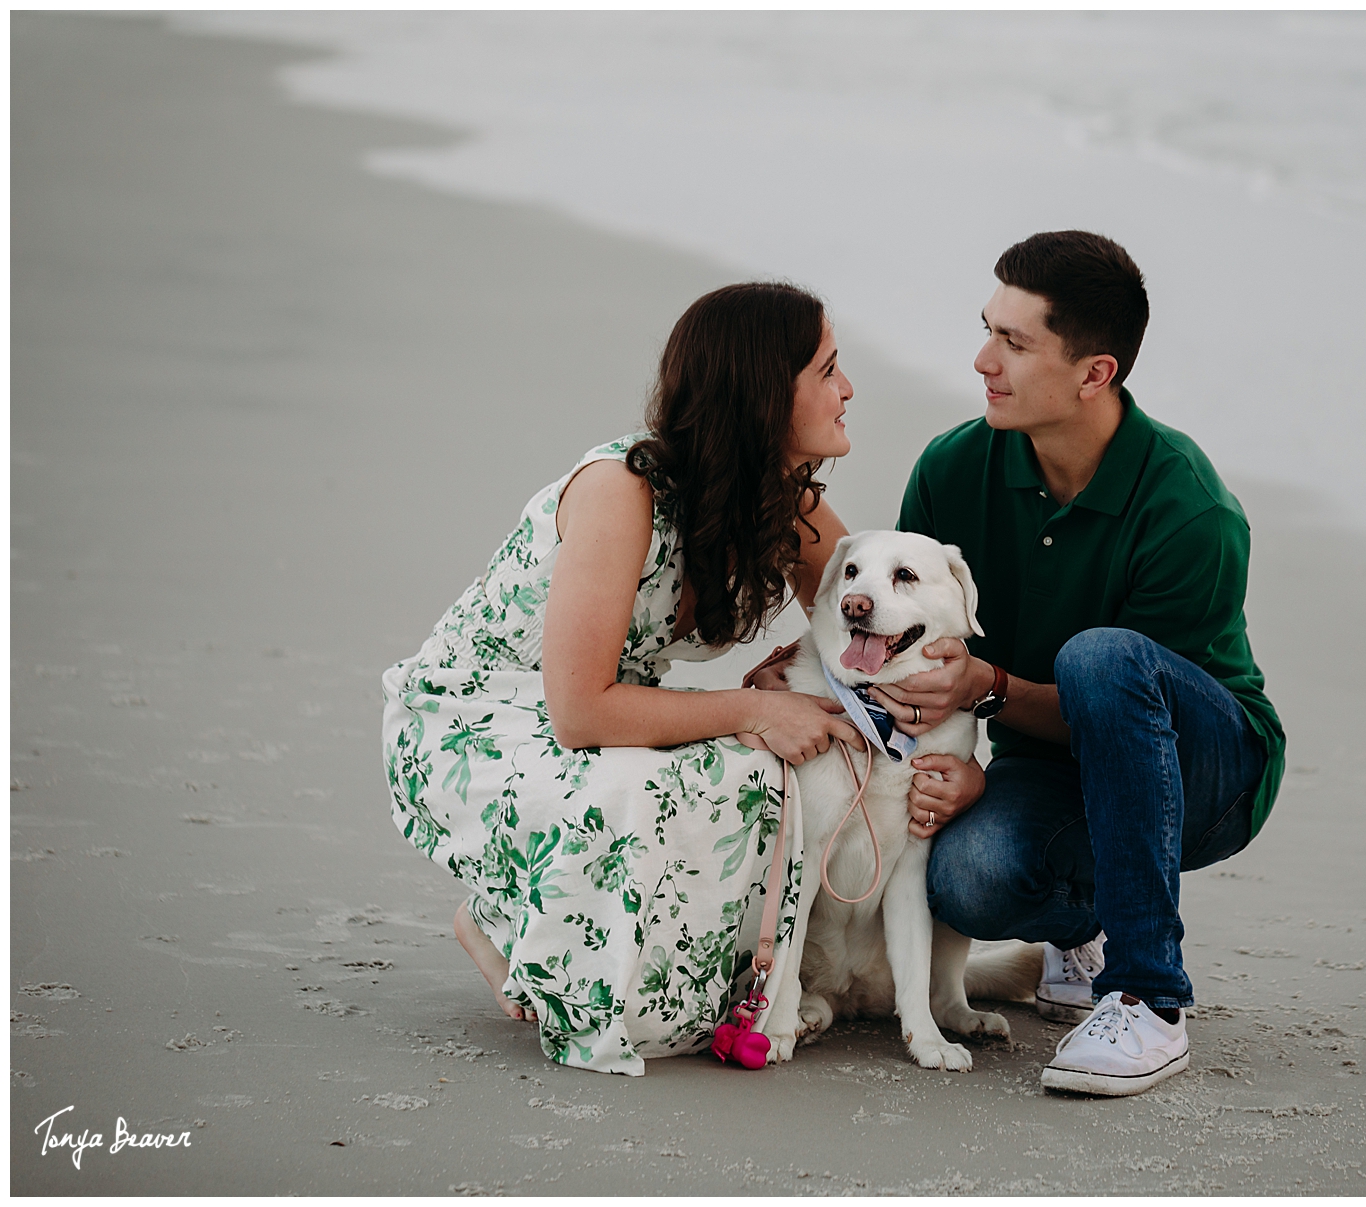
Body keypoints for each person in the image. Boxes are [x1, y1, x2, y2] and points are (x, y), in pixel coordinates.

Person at [380, 282, 984, 1076]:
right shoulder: (621, 491)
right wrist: (752, 705)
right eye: (828, 369)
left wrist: (955, 703)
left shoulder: (781, 500)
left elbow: (856, 615)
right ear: (767, 394)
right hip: (484, 717)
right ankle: (506, 922)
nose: (847, 389)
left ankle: (644, 960)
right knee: (701, 772)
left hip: (604, 703)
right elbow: (578, 711)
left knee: (763, 776)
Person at [872, 231, 1285, 1097]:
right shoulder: (953, 470)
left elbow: (1123, 713)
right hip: (1045, 762)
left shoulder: (1188, 508)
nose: (983, 360)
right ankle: (1082, 923)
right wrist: (808, 670)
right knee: (966, 879)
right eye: (988, 328)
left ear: (1095, 373)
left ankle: (1149, 997)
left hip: (1207, 774)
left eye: (1014, 344)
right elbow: (917, 646)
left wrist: (987, 688)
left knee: (1100, 661)